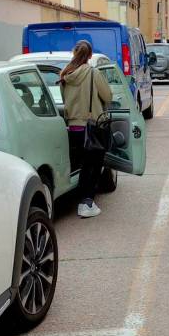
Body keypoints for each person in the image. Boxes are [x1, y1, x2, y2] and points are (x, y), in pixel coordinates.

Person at [60, 40, 113, 218]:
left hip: (73, 127)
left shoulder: (65, 75)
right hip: (90, 126)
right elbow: (108, 95)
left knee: (83, 165)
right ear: (90, 55)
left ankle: (83, 201)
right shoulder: (93, 73)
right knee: (94, 165)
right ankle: (86, 202)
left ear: (74, 53)